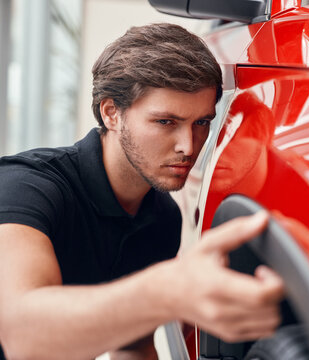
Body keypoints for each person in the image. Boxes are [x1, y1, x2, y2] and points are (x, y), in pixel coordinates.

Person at [0, 23, 284, 360]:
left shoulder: (161, 217)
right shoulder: (24, 186)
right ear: (112, 114)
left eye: (201, 123)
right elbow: (21, 339)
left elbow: (132, 346)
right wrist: (169, 290)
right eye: (166, 122)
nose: (188, 146)